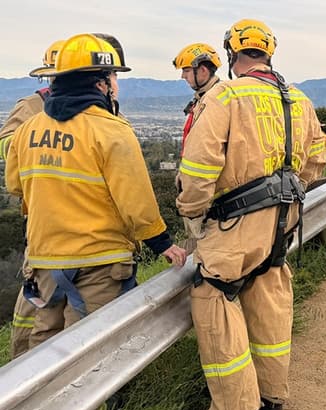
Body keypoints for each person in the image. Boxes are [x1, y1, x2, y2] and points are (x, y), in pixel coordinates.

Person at [176, 18, 326, 410]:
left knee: (214, 296)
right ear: (268, 53)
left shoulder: (226, 96)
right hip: (284, 222)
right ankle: (272, 396)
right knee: (270, 303)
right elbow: (317, 160)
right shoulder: (299, 99)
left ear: (231, 54)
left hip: (235, 225)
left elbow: (197, 168)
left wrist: (192, 214)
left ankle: (238, 408)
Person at [4, 33, 186, 353]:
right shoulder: (112, 130)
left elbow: (17, 186)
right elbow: (137, 202)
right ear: (100, 83)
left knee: (42, 349)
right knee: (88, 354)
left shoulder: (28, 131)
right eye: (113, 76)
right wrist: (162, 243)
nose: (116, 83)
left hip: (45, 260)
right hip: (99, 262)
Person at [0, 39, 63, 359]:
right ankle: (21, 370)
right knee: (35, 306)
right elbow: (7, 148)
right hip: (42, 223)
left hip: (79, 226)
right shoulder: (32, 106)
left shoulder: (95, 108)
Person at [172, 42, 222, 155]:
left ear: (203, 71)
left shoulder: (215, 101)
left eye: (186, 70)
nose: (183, 76)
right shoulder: (203, 97)